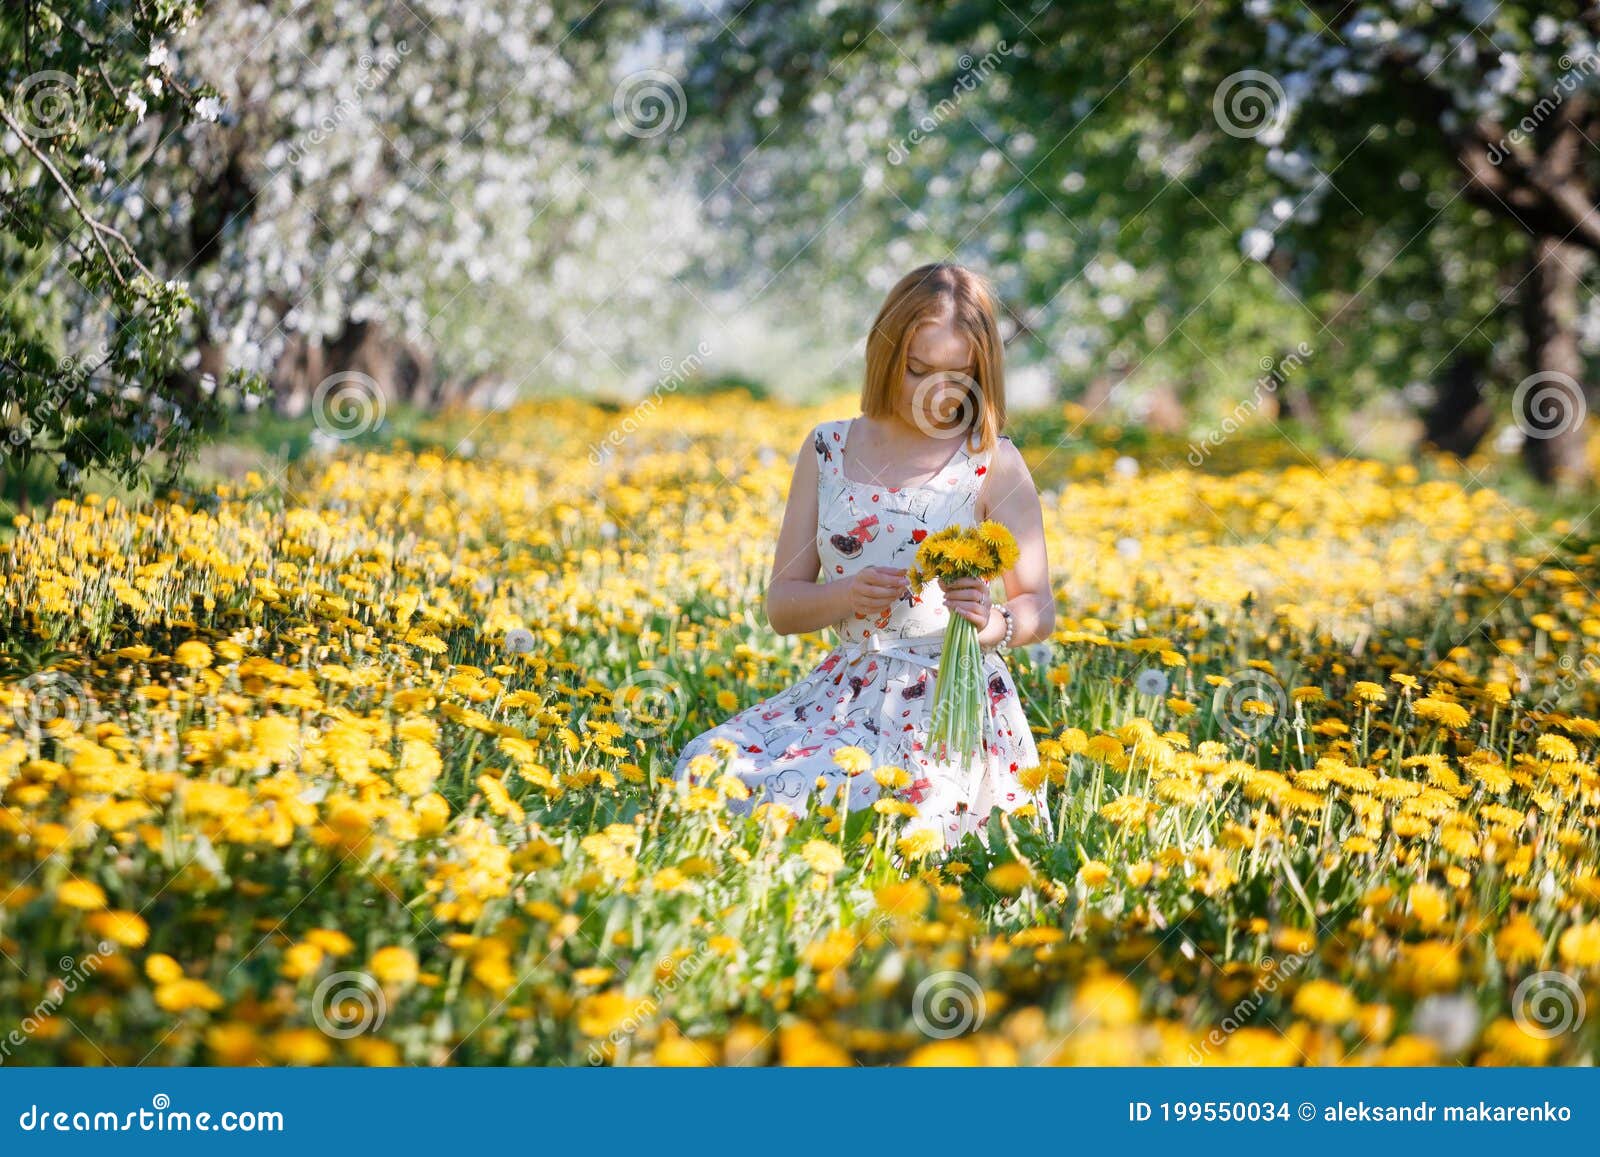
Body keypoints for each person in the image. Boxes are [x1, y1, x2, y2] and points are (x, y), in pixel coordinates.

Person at [672, 262, 1056, 850]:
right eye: (918, 369)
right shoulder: (829, 448)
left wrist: (993, 623)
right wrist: (845, 595)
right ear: (885, 356)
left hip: (949, 707)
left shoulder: (991, 459)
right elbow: (783, 606)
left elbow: (1039, 608)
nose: (937, 392)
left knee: (891, 809)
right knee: (708, 767)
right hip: (846, 691)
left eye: (959, 375)